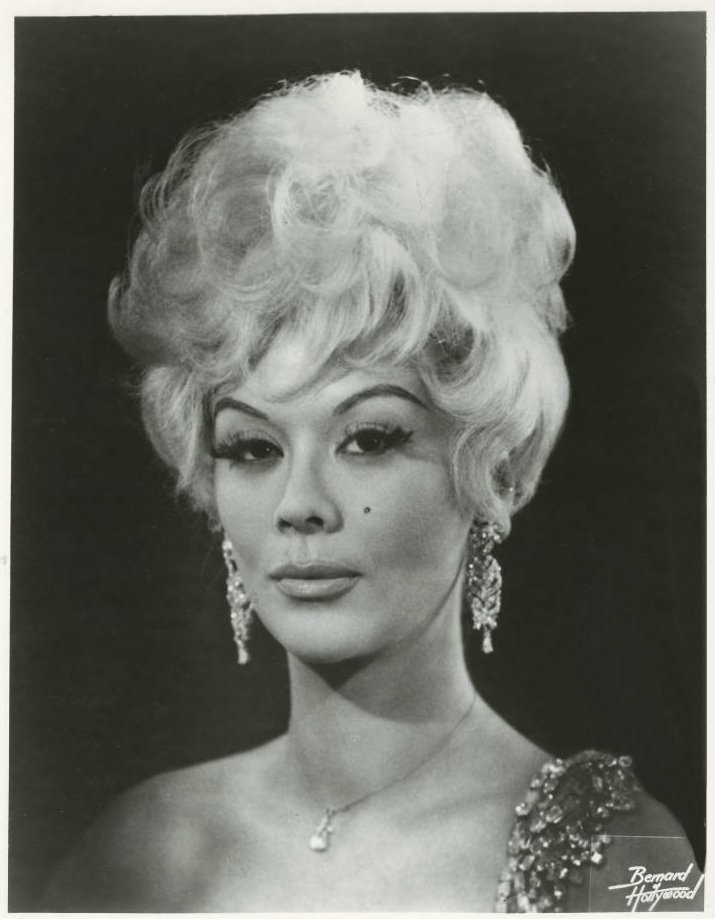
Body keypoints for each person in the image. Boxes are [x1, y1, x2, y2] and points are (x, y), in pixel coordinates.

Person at [40, 71, 702, 912]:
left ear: (491, 469)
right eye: (251, 447)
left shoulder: (617, 855)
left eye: (369, 437)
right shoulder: (142, 852)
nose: (300, 503)